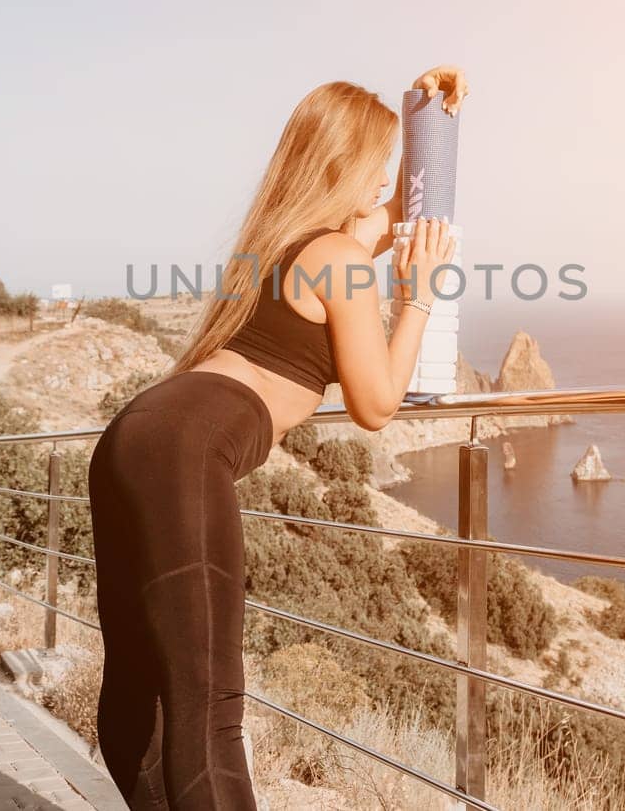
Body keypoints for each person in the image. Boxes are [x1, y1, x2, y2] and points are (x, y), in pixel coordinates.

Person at [87, 67, 467, 810]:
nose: (386, 182)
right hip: (188, 448)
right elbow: (376, 404)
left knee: (139, 684)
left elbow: (411, 212)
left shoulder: (280, 244)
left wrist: (435, 118)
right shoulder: (340, 260)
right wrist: (418, 295)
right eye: (379, 165)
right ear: (348, 171)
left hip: (136, 433)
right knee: (208, 709)